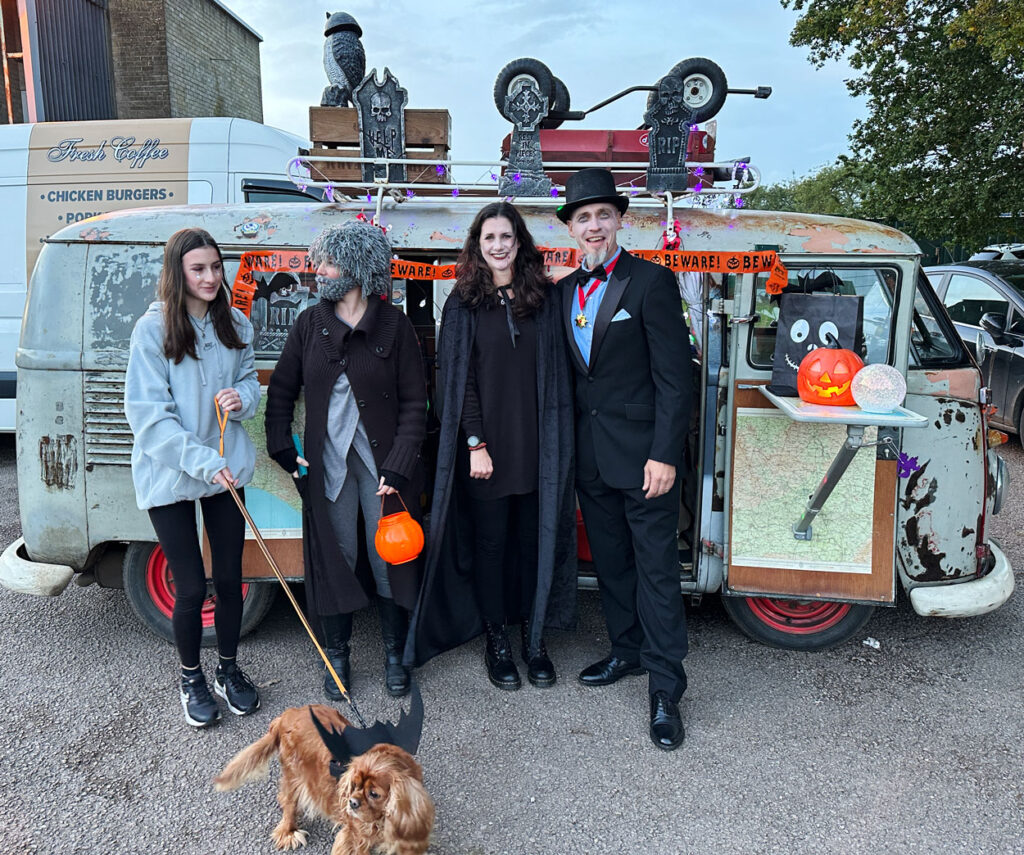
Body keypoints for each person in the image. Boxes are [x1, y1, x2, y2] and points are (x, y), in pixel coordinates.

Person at [404, 202, 576, 691]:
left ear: (519, 242)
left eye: (506, 236)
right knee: (492, 548)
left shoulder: (543, 299)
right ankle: (496, 640)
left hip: (538, 448)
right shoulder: (463, 304)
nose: (498, 245)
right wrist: (475, 442)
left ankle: (533, 639)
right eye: (489, 238)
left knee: (531, 545)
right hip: (486, 453)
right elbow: (459, 382)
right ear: (477, 247)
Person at [556, 168, 693, 750]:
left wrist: (665, 454)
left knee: (657, 574)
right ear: (570, 227)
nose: (593, 226)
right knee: (612, 566)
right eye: (583, 217)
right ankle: (627, 652)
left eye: (602, 215)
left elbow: (677, 378)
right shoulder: (563, 293)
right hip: (592, 462)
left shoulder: (650, 283)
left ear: (620, 220)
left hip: (645, 464)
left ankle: (666, 688)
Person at [265, 221, 427, 700]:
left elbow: (416, 405)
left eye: (329, 262)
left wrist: (399, 464)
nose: (319, 271)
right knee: (336, 555)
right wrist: (283, 447)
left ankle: (397, 653)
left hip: (385, 468)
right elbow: (281, 393)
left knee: (389, 555)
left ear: (357, 269)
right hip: (326, 464)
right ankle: (336, 654)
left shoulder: (395, 326)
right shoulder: (309, 325)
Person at [124, 227, 262, 728]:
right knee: (189, 585)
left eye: (215, 267)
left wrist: (242, 398)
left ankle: (227, 669)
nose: (209, 278)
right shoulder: (152, 330)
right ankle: (191, 678)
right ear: (177, 274)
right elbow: (149, 418)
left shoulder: (236, 324)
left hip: (225, 468)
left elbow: (249, 381)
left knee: (230, 578)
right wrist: (203, 462)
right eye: (197, 269)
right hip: (171, 473)